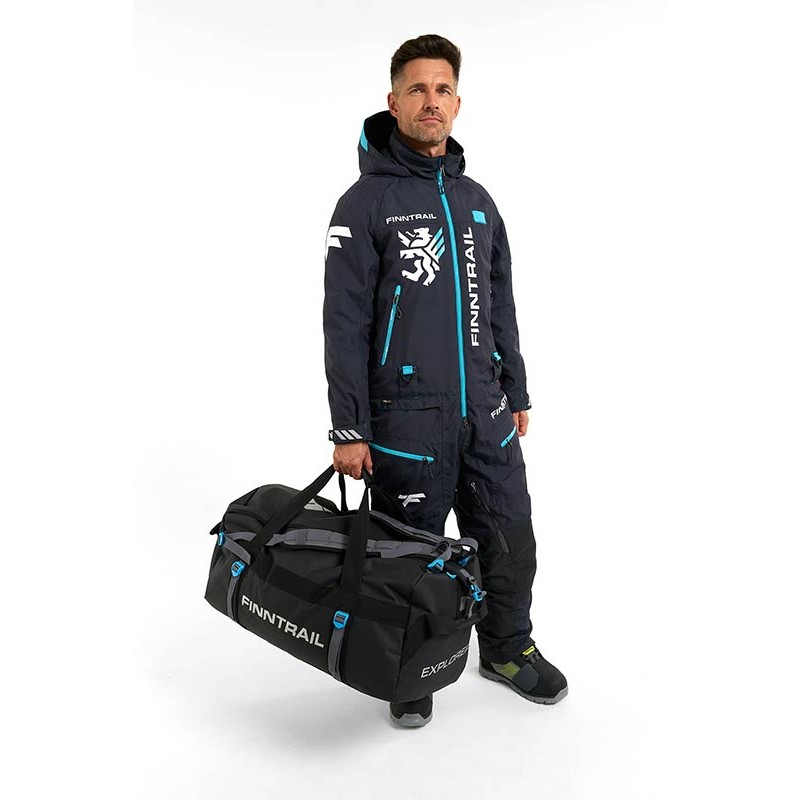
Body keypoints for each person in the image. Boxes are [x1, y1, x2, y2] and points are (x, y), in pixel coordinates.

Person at [322, 33, 567, 728]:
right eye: (417, 89)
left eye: (443, 89)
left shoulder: (478, 201)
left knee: (509, 539)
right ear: (393, 101)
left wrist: (515, 391)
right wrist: (349, 427)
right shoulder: (363, 204)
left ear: (457, 103)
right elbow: (344, 323)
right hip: (406, 419)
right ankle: (409, 668)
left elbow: (500, 302)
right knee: (410, 554)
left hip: (485, 412)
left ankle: (508, 650)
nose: (431, 101)